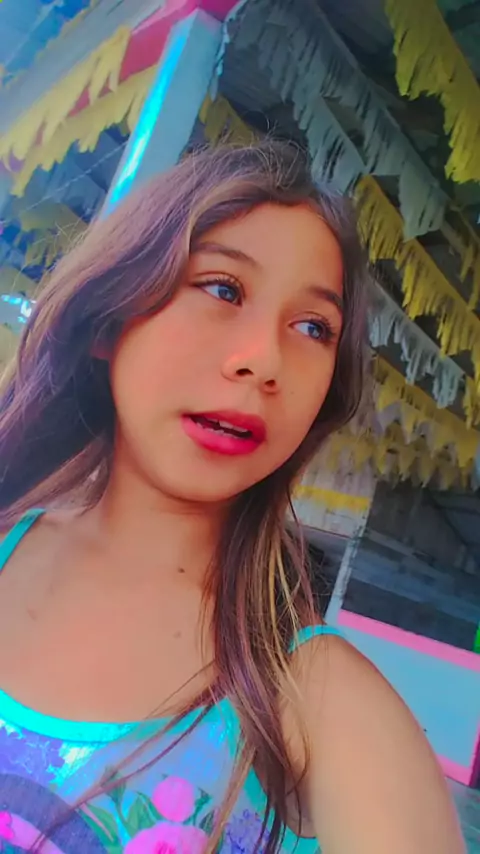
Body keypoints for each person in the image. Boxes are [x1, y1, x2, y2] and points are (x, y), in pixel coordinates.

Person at [0, 142, 463, 854]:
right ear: (109, 319)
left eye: (313, 328)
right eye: (222, 289)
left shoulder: (312, 700)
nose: (266, 360)